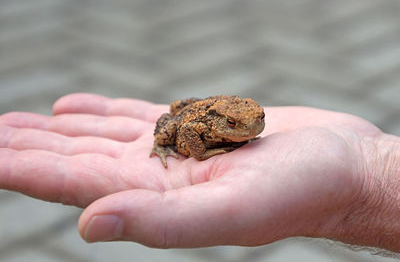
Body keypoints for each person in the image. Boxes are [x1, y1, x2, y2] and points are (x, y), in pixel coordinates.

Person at [0, 93, 399, 252]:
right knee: (171, 127)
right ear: (224, 122)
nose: (253, 130)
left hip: (219, 105)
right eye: (242, 126)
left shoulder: (245, 118)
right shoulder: (206, 123)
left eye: (259, 121)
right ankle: (157, 144)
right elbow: (188, 128)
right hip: (196, 112)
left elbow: (248, 120)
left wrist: (367, 172)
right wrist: (197, 152)